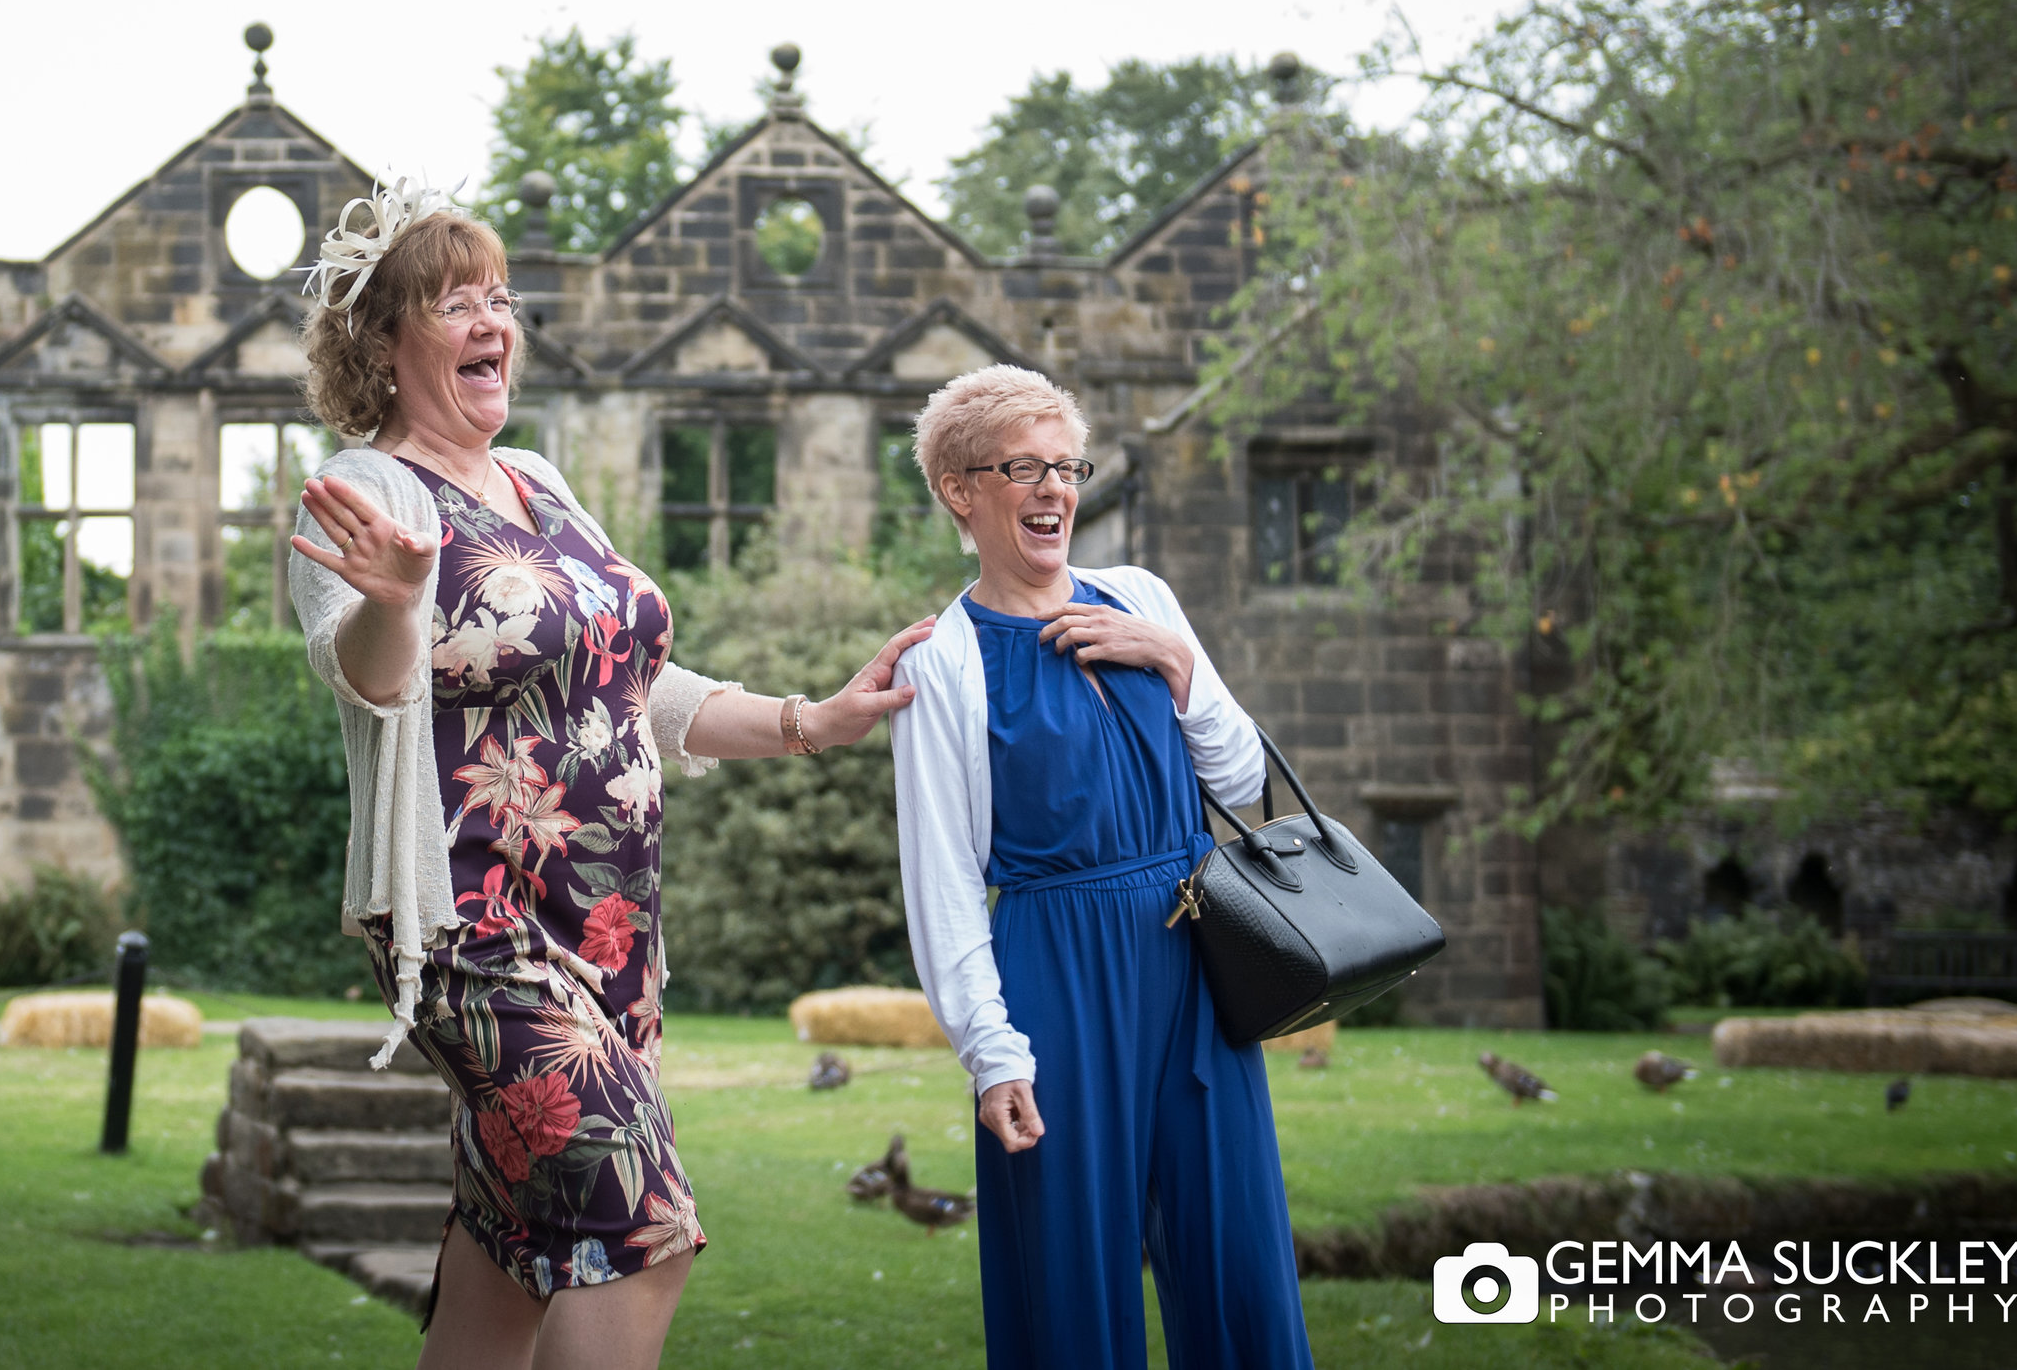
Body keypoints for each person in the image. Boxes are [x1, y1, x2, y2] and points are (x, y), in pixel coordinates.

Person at [286, 179, 931, 1370]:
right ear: (381, 342)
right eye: (454, 302)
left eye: (501, 297)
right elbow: (368, 678)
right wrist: (393, 601)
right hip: (475, 929)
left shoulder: (539, 481)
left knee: (509, 1256)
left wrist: (813, 718)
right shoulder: (367, 492)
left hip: (608, 928)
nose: (494, 322)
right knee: (642, 1224)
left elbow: (627, 682)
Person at [888, 364, 1312, 1369]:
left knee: (1237, 1253)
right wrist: (991, 1051)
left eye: (1066, 466)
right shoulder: (940, 661)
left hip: (1193, 957)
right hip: (1055, 973)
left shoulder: (1142, 598)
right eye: (1022, 467)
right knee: (1066, 1274)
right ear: (961, 489)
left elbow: (1242, 777)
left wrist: (1171, 660)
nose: (1054, 489)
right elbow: (942, 878)